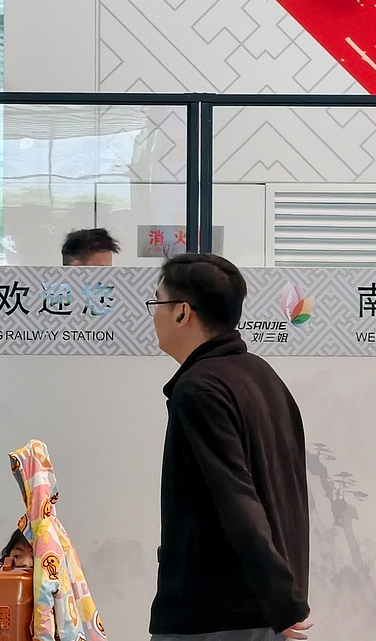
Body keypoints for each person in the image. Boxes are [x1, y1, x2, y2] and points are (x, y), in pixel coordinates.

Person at [149, 252, 311, 641]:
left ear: (182, 312)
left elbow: (237, 499)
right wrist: (285, 597)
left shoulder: (200, 389)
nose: (152, 314)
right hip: (257, 608)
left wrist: (282, 600)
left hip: (214, 613)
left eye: (157, 302)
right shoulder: (261, 375)